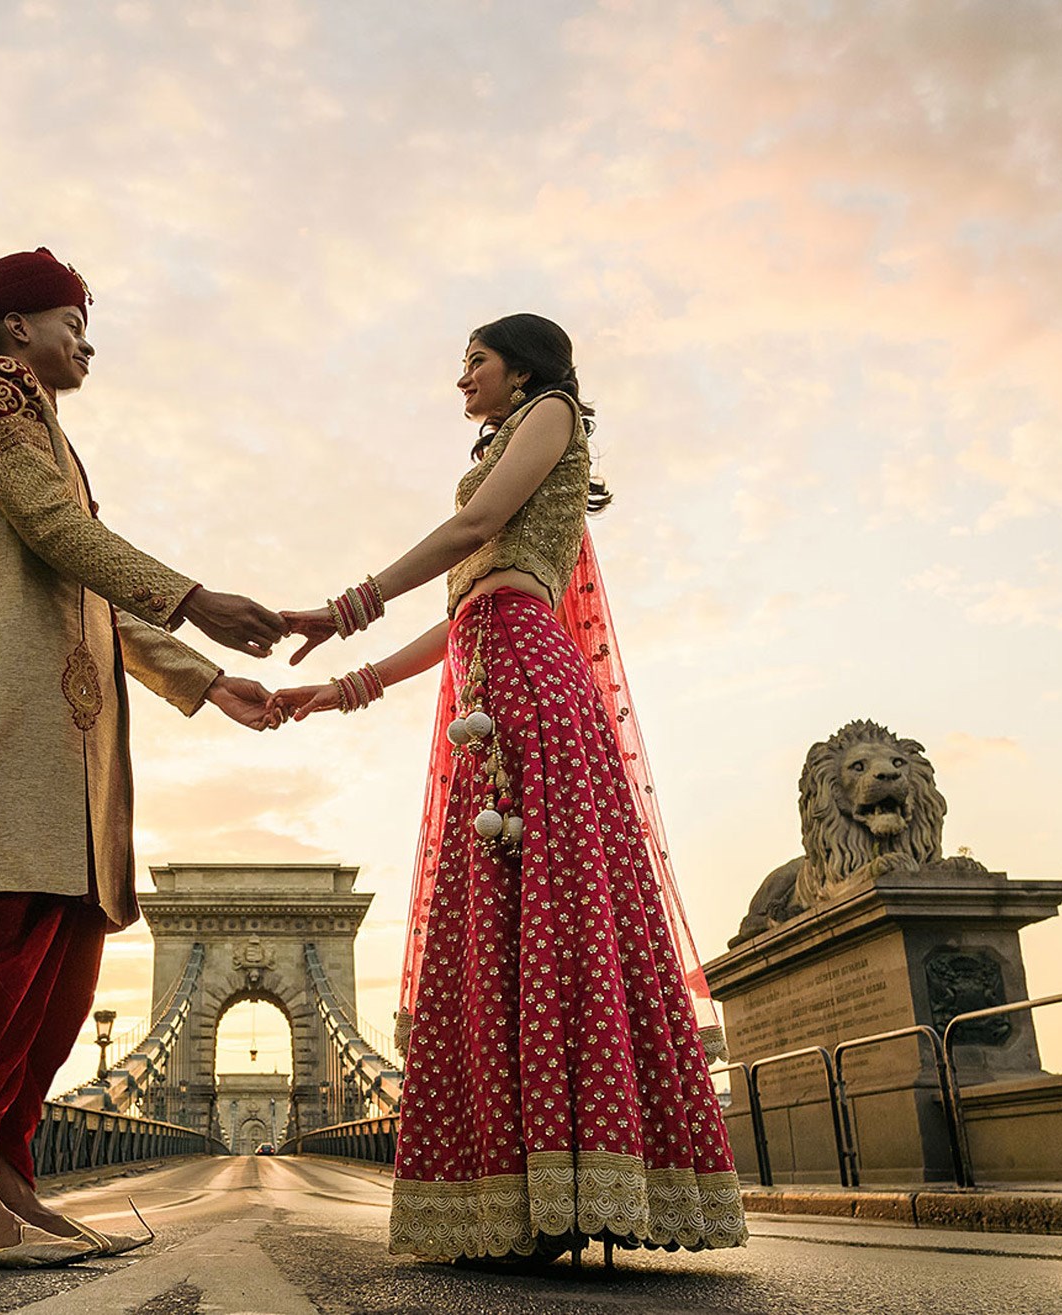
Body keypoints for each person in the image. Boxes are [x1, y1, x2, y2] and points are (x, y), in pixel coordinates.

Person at [273, 314, 747, 1263]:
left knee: (550, 916)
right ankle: (526, 1200)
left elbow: (477, 530)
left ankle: (572, 1188)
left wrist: (345, 607)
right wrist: (337, 691)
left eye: (473, 364)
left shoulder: (555, 413)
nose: (461, 384)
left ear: (522, 367)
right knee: (492, 930)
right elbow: (460, 608)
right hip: (485, 684)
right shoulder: (504, 451)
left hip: (529, 681)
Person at [0, 248, 286, 1270]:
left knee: (58, 973)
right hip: (12, 716)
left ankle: (7, 1181)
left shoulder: (51, 437)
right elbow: (50, 529)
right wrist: (197, 596)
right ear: (12, 325)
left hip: (76, 743)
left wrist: (203, 679)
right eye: (73, 317)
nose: (87, 338)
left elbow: (94, 587)